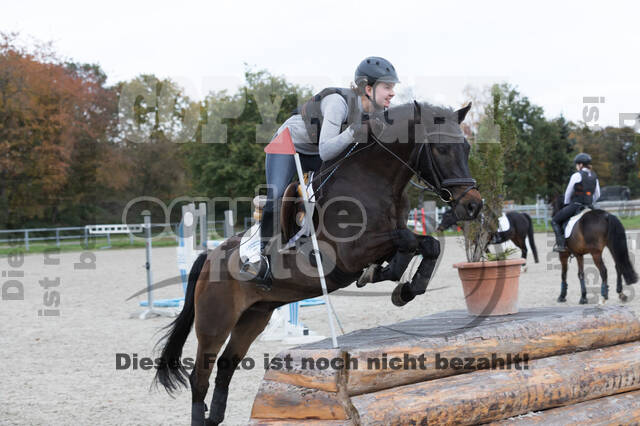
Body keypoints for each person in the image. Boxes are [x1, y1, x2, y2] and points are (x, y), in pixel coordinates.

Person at [244, 57, 399, 290]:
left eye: (393, 88)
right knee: (277, 196)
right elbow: (327, 151)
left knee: (338, 191)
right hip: (287, 146)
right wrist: (355, 131)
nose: (392, 93)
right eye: (387, 87)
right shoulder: (338, 103)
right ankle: (261, 258)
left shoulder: (374, 115)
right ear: (368, 88)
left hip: (314, 152)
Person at [551, 152, 601, 252]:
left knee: (555, 221)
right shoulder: (594, 176)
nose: (576, 167)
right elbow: (598, 194)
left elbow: (568, 192)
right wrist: (590, 202)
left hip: (576, 205)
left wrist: (566, 204)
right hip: (589, 206)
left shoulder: (576, 175)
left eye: (577, 164)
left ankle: (561, 245)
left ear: (581, 165)